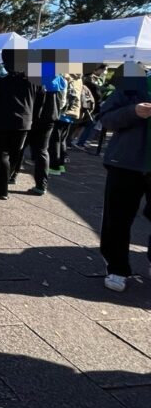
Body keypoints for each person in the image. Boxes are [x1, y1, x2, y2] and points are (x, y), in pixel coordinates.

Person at [97, 62, 151, 292]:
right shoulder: (132, 84)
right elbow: (106, 119)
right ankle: (117, 267)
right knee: (118, 218)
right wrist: (133, 111)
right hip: (125, 164)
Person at [0, 50, 39, 200]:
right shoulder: (33, 75)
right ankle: (5, 179)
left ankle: (1, 188)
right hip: (24, 122)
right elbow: (40, 99)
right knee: (15, 154)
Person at [20, 74, 65, 195]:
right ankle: (41, 185)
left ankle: (11, 176)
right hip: (50, 115)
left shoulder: (34, 74)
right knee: (42, 150)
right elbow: (63, 92)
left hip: (33, 114)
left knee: (21, 146)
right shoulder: (58, 76)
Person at [49, 73, 82, 175]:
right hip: (72, 114)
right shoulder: (79, 79)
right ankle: (61, 165)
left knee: (55, 140)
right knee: (62, 140)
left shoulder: (65, 76)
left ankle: (54, 167)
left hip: (62, 113)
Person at [73, 65, 107, 149]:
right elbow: (95, 92)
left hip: (89, 104)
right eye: (103, 70)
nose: (103, 72)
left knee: (84, 124)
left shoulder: (90, 78)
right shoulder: (89, 78)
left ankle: (76, 141)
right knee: (86, 124)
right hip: (88, 104)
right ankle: (77, 141)